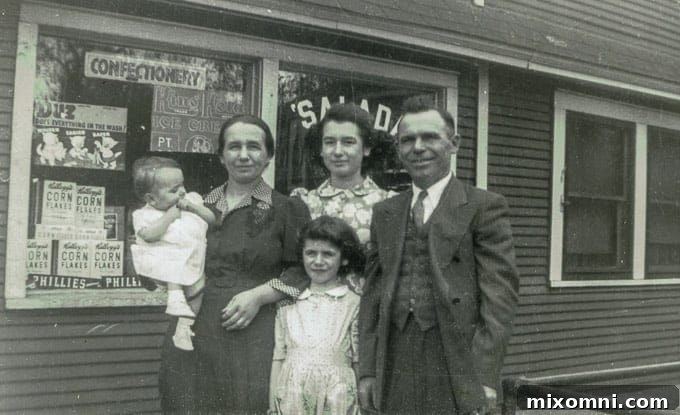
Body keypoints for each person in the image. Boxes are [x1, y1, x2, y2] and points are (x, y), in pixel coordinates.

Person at [358, 97, 520, 415]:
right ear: (398, 148)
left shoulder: (483, 206)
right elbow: (373, 299)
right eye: (408, 140)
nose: (418, 148)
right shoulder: (385, 212)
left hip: (456, 358)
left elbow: (500, 298)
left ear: (454, 143)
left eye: (430, 137)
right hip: (395, 357)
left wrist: (484, 376)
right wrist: (367, 370)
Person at [158, 114, 310, 413]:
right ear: (221, 156)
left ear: (268, 156)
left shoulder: (286, 208)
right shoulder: (197, 205)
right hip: (192, 328)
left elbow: (302, 270)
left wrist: (259, 295)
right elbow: (172, 256)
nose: (243, 155)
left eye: (253, 146)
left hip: (252, 333)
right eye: (233, 146)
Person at [269, 216, 364, 415]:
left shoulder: (353, 303)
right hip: (292, 397)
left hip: (337, 398)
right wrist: (272, 407)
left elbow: (357, 361)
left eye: (328, 254)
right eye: (311, 253)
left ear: (344, 257)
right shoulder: (288, 304)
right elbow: (278, 358)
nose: (318, 261)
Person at [130, 156, 215, 351]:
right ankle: (175, 296)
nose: (182, 192)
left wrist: (193, 208)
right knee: (171, 261)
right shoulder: (144, 214)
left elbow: (211, 219)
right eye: (173, 190)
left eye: (182, 185)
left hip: (191, 260)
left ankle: (184, 327)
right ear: (151, 199)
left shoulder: (191, 200)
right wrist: (169, 217)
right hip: (162, 264)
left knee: (199, 289)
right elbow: (148, 235)